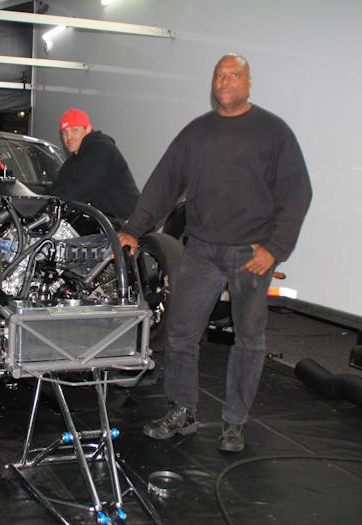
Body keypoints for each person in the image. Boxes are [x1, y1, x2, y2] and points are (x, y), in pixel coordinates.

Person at [118, 54, 312, 452]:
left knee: (249, 340)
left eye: (233, 74)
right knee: (181, 332)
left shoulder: (273, 132)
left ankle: (234, 423)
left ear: (248, 82)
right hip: (202, 250)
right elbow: (163, 182)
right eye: (219, 74)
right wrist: (133, 229)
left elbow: (297, 193)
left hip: (250, 253)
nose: (225, 80)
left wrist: (275, 248)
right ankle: (182, 411)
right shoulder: (197, 133)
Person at [50, 108, 139, 221]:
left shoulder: (102, 150)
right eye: (65, 132)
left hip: (129, 224)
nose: (69, 137)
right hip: (106, 222)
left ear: (87, 129)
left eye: (74, 130)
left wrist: (51, 205)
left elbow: (78, 190)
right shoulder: (73, 162)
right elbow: (58, 189)